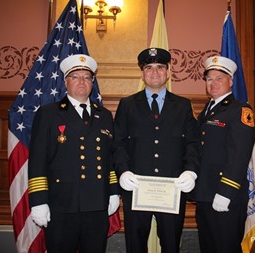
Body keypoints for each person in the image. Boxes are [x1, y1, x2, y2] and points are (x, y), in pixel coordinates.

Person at [27, 54, 120, 253]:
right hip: (61, 204)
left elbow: (109, 158)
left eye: (87, 77)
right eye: (75, 77)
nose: (81, 82)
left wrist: (113, 191)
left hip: (96, 203)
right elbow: (37, 160)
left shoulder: (103, 115)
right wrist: (39, 201)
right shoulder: (49, 113)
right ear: (65, 82)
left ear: (92, 82)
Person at [113, 47, 200, 253]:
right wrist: (122, 170)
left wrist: (191, 170)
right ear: (142, 73)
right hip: (136, 188)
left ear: (168, 72)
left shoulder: (183, 105)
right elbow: (118, 143)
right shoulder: (127, 105)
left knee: (171, 245)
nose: (155, 72)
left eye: (160, 67)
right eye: (149, 67)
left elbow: (193, 143)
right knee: (135, 245)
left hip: (172, 188)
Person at [190, 56, 255, 252]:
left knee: (225, 247)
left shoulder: (241, 110)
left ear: (231, 81)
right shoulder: (208, 110)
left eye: (219, 78)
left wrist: (225, 192)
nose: (213, 83)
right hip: (205, 193)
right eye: (209, 79)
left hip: (225, 195)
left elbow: (240, 155)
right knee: (208, 245)